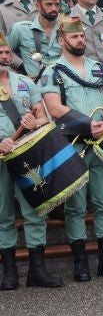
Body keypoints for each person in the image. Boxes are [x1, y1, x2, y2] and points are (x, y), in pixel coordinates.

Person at [40, 16, 103, 281]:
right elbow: (54, 107)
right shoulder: (53, 70)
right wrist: (89, 124)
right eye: (74, 36)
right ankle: (80, 262)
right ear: (62, 39)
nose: (80, 40)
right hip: (71, 145)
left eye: (82, 36)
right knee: (76, 206)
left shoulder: (98, 67)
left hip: (100, 145)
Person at [0, 36, 63, 290]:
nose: (4, 56)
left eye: (6, 51)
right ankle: (10, 272)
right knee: (3, 213)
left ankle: (37, 269)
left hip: (26, 154)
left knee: (35, 210)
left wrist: (32, 123)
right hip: (1, 156)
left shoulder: (24, 82)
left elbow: (45, 119)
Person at [6, 0, 62, 79]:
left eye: (57, 4)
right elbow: (2, 55)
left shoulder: (66, 29)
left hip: (65, 86)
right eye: (49, 4)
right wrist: (18, 78)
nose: (54, 8)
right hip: (35, 88)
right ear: (37, 6)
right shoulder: (21, 29)